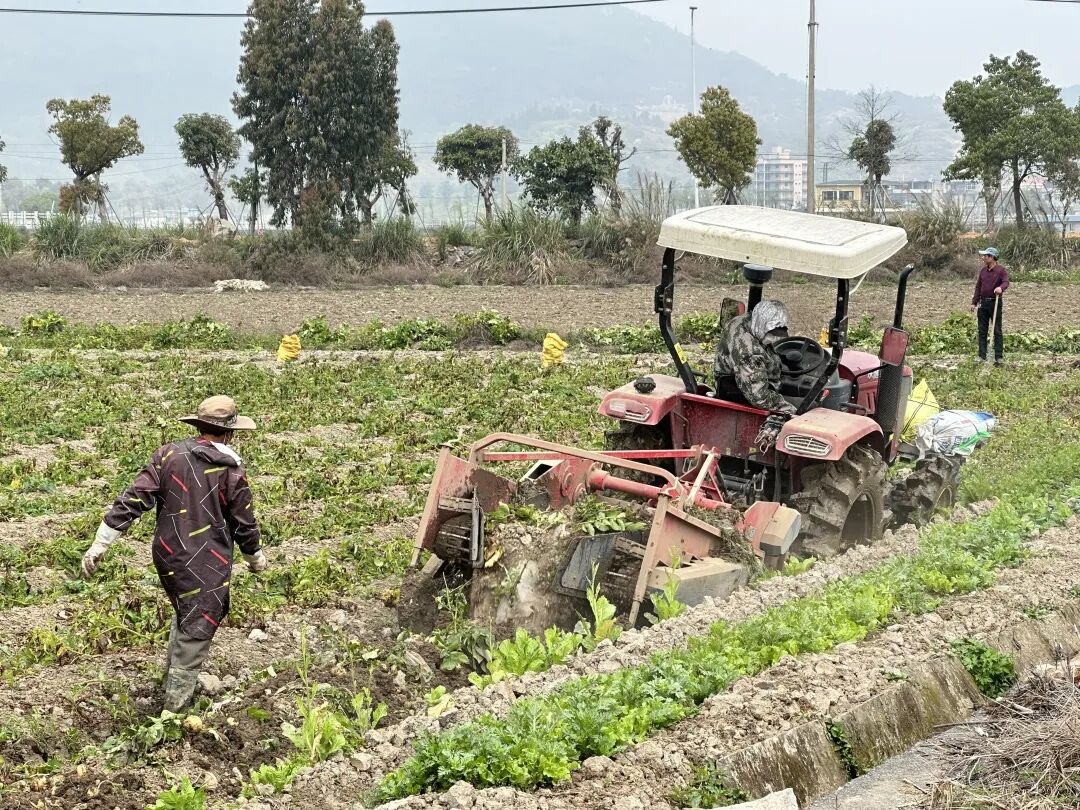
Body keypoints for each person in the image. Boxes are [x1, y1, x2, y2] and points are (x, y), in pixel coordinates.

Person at [81, 396, 268, 712]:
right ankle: (174, 709)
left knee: (187, 610)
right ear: (230, 433)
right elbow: (243, 520)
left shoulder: (168, 454)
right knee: (199, 622)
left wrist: (100, 544)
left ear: (199, 427)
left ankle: (169, 685)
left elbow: (133, 499)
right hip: (206, 558)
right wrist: (254, 557)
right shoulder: (231, 470)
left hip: (168, 554)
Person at [714, 299, 797, 416]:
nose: (773, 338)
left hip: (745, 379)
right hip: (737, 391)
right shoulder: (748, 352)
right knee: (803, 406)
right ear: (762, 323)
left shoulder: (746, 321)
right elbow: (759, 397)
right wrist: (792, 410)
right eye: (771, 333)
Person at [971, 247, 1009, 366]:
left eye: (985, 256)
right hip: (983, 303)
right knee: (982, 330)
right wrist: (974, 302)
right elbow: (978, 287)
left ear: (992, 257)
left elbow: (1006, 282)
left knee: (997, 330)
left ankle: (998, 357)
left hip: (995, 302)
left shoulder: (1001, 270)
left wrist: (1000, 288)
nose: (983, 258)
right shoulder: (983, 271)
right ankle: (982, 356)